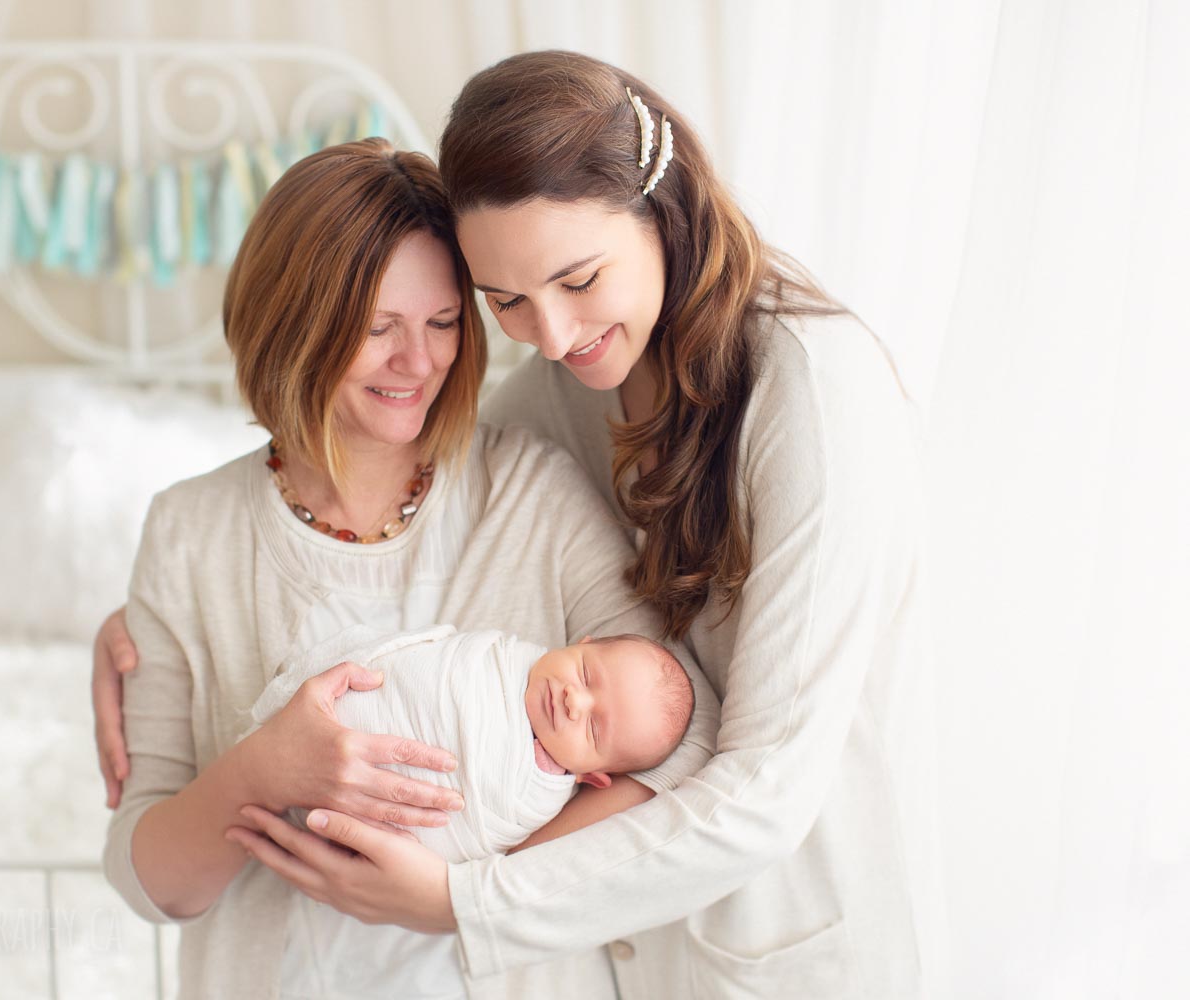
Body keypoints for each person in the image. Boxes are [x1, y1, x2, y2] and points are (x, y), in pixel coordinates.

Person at [177, 52, 944, 998]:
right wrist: (146, 630)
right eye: (505, 302)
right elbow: (416, 505)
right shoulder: (557, 390)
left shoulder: (814, 391)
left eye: (579, 278)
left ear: (661, 209)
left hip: (787, 935)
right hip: (623, 948)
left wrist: (466, 901)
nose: (551, 331)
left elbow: (769, 787)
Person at [98, 137, 719, 1000]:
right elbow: (152, 881)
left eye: (442, 324)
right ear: (291, 326)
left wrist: (461, 896)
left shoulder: (529, 492)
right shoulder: (191, 533)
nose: (418, 362)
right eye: (377, 328)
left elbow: (678, 745)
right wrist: (260, 772)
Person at [247, 623, 695, 861]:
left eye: (594, 729)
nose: (574, 701)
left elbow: (480, 834)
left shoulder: (536, 795)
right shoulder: (501, 658)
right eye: (584, 674)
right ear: (582, 643)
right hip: (333, 716)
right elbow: (428, 663)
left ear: (592, 777)